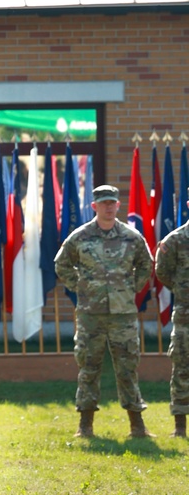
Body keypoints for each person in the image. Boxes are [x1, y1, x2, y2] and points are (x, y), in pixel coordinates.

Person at [55, 182, 154, 439]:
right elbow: (61, 263)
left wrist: (130, 287)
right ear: (94, 206)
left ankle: (137, 427)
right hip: (91, 314)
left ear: (118, 205)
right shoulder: (80, 236)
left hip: (123, 314)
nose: (108, 208)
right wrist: (81, 287)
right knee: (88, 367)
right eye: (103, 203)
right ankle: (85, 426)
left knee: (127, 368)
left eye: (112, 203)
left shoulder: (132, 237)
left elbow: (146, 264)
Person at [155, 219, 189, 437]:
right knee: (182, 367)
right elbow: (162, 272)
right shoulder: (175, 240)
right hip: (186, 315)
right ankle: (180, 427)